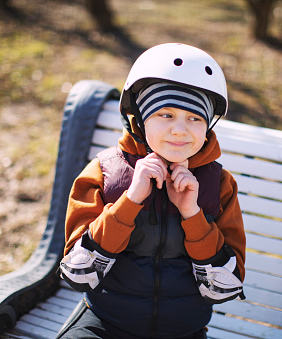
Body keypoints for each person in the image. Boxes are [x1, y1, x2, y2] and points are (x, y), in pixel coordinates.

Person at [57, 43, 246, 339]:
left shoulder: (220, 185)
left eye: (195, 118)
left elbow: (224, 287)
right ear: (140, 119)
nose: (180, 130)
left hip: (184, 331)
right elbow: (77, 273)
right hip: (105, 323)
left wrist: (192, 214)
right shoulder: (103, 172)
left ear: (209, 126)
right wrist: (130, 200)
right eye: (166, 114)